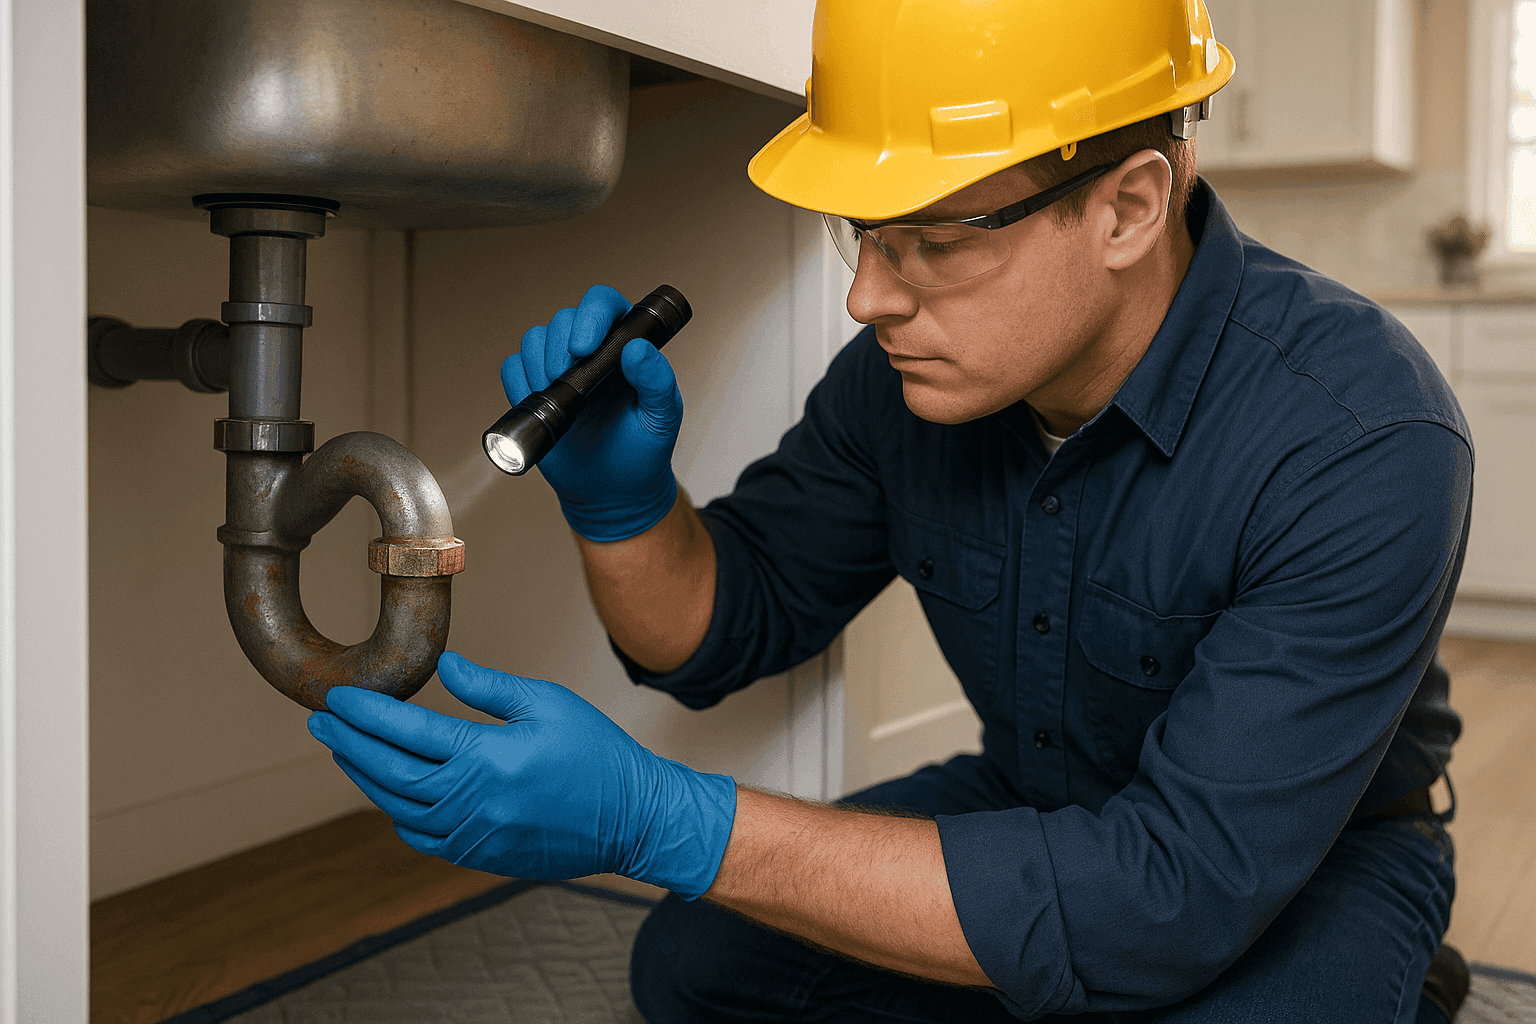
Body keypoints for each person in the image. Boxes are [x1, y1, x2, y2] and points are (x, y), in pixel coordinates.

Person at [306, 1, 1475, 1020]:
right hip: (1035, 799)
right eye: (863, 233)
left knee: (1146, 943)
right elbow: (722, 628)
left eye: (927, 241)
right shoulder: (904, 384)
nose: (868, 296)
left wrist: (663, 819)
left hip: (1301, 857)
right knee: (696, 963)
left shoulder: (1362, 438)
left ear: (1126, 207)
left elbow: (1167, 892)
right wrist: (625, 505)